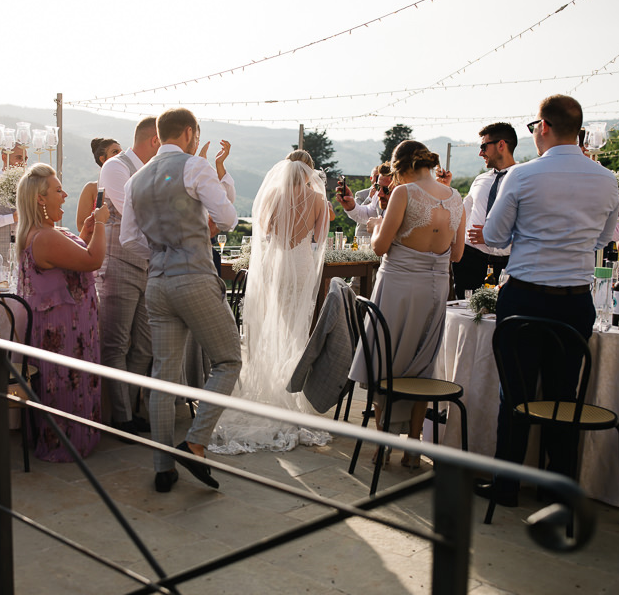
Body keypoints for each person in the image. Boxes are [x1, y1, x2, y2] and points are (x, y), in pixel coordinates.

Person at [477, 94, 619, 507]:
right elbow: (601, 240)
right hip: (575, 301)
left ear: (543, 126)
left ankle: (506, 488)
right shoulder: (607, 179)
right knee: (563, 398)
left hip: (524, 298)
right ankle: (557, 490)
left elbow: (493, 238)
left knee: (515, 396)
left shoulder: (522, 176)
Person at [120, 107, 241, 493]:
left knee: (164, 376)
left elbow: (128, 240)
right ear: (189, 132)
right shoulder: (194, 166)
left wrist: (160, 252)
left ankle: (162, 467)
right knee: (228, 359)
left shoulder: (135, 180)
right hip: (194, 277)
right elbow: (227, 219)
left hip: (157, 282)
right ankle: (194, 442)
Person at [347, 140, 465, 468]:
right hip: (436, 289)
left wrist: (373, 228)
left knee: (388, 360)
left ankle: (383, 445)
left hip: (398, 286)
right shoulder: (456, 198)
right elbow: (457, 254)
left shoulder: (404, 193)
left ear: (400, 167)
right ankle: (414, 446)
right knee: (421, 363)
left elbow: (380, 247)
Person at [209, 151, 333, 454]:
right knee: (297, 327)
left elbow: (264, 233)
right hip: (302, 265)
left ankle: (270, 386)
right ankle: (292, 391)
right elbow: (318, 238)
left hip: (277, 265)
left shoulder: (271, 195)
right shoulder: (318, 200)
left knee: (273, 323)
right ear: (309, 172)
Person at [16, 163, 109, 462]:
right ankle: (68, 443)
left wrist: (85, 231)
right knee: (67, 381)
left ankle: (70, 437)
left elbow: (72, 256)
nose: (65, 194)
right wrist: (104, 224)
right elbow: (93, 259)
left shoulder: (44, 232)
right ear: (40, 199)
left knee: (66, 381)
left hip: (67, 324)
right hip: (65, 329)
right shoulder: (45, 237)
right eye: (58, 190)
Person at [98, 117, 160, 436]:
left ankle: (130, 407)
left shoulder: (155, 169)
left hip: (149, 264)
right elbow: (134, 212)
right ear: (155, 141)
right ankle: (121, 418)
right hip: (119, 262)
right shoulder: (115, 166)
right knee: (116, 342)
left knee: (145, 345)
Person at [451, 123, 518, 297]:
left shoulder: (525, 179)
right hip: (470, 261)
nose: (480, 153)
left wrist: (491, 235)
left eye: (483, 146)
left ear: (501, 145)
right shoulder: (480, 179)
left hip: (509, 264)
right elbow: (461, 213)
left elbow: (532, 224)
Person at [75, 137, 121, 232]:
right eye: (115, 152)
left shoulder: (127, 183)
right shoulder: (91, 188)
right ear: (103, 159)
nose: (120, 155)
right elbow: (81, 225)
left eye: (121, 151)